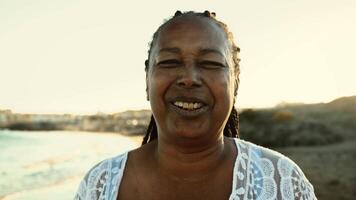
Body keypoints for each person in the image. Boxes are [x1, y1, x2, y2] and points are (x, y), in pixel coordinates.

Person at [74, 11, 317, 200]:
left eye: (210, 63)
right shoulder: (101, 185)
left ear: (235, 82)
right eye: (169, 62)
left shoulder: (281, 181)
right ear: (147, 80)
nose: (189, 78)